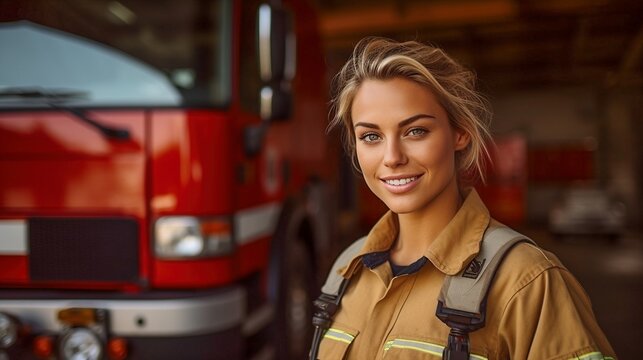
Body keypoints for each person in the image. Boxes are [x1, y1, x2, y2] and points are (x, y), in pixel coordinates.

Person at [313, 37, 616, 359]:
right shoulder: (345, 271)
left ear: (460, 133)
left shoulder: (527, 281)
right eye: (370, 136)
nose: (392, 157)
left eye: (415, 131)